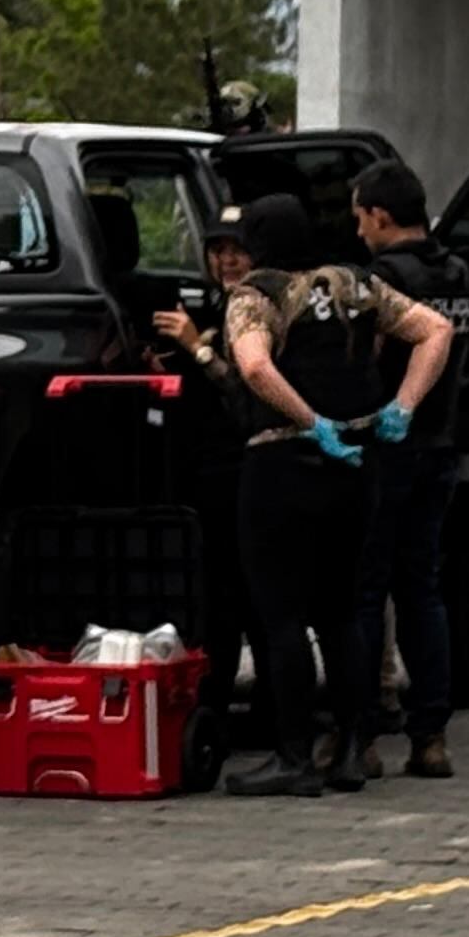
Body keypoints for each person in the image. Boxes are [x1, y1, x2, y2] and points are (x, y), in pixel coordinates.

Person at [214, 193, 452, 795]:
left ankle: (293, 757)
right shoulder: (357, 285)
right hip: (356, 464)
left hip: (281, 465)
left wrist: (308, 419)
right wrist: (403, 406)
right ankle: (350, 750)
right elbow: (436, 330)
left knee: (282, 615)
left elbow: (255, 368)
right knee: (344, 613)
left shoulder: (257, 296)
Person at [349, 163, 469, 780]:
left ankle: (366, 737)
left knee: (369, 591)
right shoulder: (457, 273)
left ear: (379, 215)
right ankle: (431, 737)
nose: (357, 230)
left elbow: (365, 357)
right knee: (423, 590)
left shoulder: (382, 279)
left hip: (388, 446)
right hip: (441, 446)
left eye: (358, 217)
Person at [153, 207, 261, 754]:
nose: (227, 260)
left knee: (249, 595)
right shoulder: (218, 304)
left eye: (238, 249)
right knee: (214, 590)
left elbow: (244, 389)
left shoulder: (260, 307)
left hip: (247, 468)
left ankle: (263, 712)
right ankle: (213, 698)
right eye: (218, 250)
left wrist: (197, 345)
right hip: (206, 468)